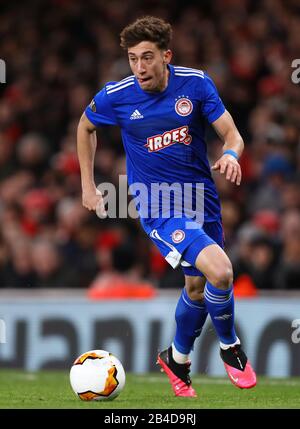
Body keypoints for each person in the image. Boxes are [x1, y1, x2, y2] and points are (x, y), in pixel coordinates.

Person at [77, 16, 256, 397]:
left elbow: (233, 135)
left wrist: (231, 155)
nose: (139, 67)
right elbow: (85, 126)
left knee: (196, 287)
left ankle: (176, 357)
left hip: (201, 200)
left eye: (147, 58)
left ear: (166, 56)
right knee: (221, 272)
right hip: (158, 204)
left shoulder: (196, 84)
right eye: (132, 59)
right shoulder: (117, 95)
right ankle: (230, 347)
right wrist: (88, 186)